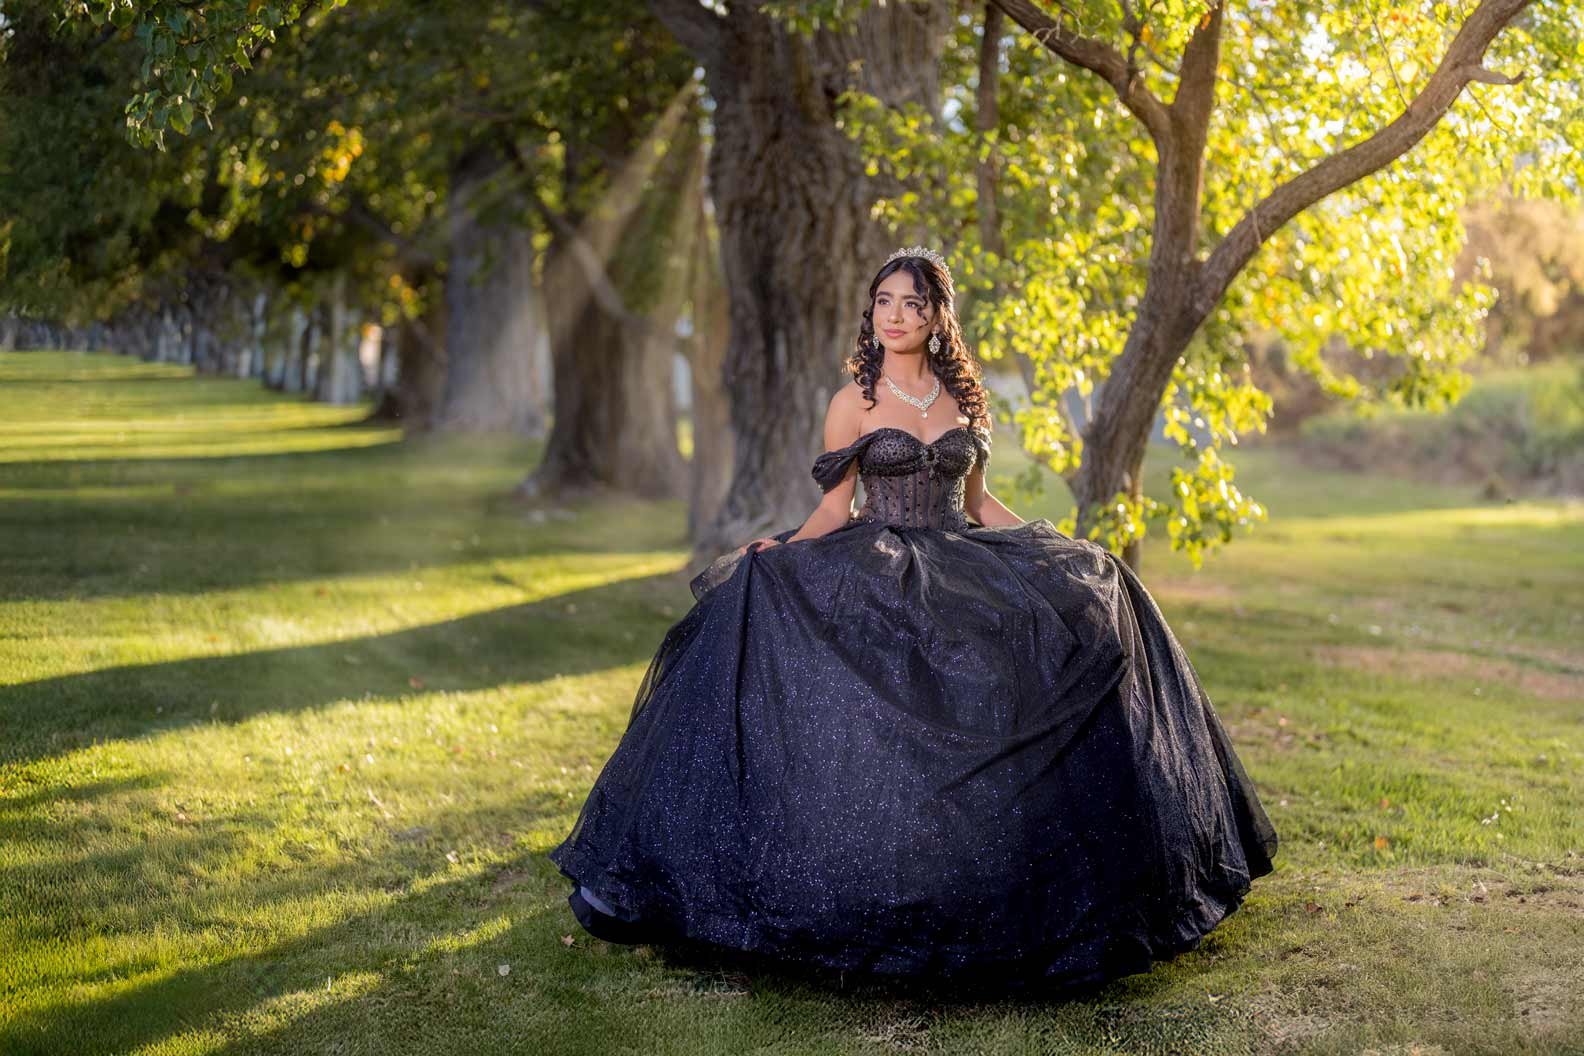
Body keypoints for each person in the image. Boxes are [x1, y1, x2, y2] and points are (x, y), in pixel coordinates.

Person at [547, 247, 1278, 991]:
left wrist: (1056, 545)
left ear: (937, 318)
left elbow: (980, 503)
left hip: (961, 557)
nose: (895, 316)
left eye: (912, 304)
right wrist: (780, 553)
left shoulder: (966, 400)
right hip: (877, 561)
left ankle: (1003, 882)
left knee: (1030, 659)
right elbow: (836, 509)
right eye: (884, 302)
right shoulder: (852, 402)